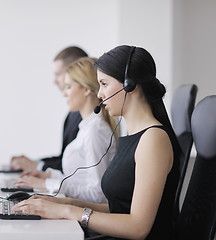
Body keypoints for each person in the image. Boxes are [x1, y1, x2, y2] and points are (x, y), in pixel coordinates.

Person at [12, 45, 181, 240]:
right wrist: (65, 204)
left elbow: (138, 227)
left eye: (104, 84)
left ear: (129, 85)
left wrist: (70, 212)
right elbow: (119, 208)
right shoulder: (134, 135)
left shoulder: (153, 140)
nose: (99, 94)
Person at [14, 57, 117, 203]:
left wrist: (47, 184)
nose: (64, 93)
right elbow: (79, 180)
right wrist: (49, 176)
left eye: (68, 87)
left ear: (86, 89)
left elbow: (97, 195)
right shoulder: (87, 127)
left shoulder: (95, 131)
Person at [11, 46, 88, 172]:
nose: (54, 81)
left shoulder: (89, 119)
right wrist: (33, 163)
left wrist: (37, 167)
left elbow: (74, 169)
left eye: (58, 74)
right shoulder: (74, 113)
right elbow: (64, 159)